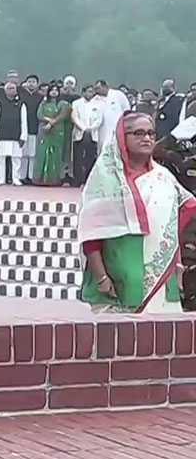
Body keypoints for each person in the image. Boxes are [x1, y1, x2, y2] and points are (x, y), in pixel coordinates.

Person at [79, 113, 196, 314]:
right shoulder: (105, 180)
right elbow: (91, 234)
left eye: (151, 133)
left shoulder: (164, 177)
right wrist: (101, 277)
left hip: (162, 276)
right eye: (138, 133)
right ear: (122, 137)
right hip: (119, 279)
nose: (147, 138)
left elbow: (186, 209)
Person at [153, 115, 196, 310]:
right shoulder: (180, 157)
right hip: (189, 219)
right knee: (189, 263)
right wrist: (174, 136)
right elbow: (154, 152)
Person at [0, 79, 28, 186]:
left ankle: (16, 178)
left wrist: (23, 136)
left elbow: (24, 121)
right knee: (1, 158)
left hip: (16, 136)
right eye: (9, 88)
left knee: (16, 159)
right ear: (5, 90)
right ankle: (1, 179)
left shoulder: (21, 104)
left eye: (13, 88)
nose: (12, 90)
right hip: (1, 135)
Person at [34, 83, 70, 186]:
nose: (54, 92)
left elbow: (63, 115)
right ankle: (40, 179)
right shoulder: (43, 103)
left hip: (57, 131)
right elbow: (39, 114)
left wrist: (51, 123)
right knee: (42, 153)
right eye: (52, 90)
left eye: (56, 90)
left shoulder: (63, 104)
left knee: (55, 154)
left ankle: (54, 180)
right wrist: (48, 120)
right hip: (44, 130)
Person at [69, 85, 102, 187]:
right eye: (88, 91)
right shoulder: (76, 103)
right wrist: (83, 128)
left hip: (92, 133)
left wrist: (91, 128)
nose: (90, 94)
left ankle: (88, 180)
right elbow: (74, 117)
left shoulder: (98, 104)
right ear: (83, 93)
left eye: (92, 92)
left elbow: (99, 119)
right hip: (79, 132)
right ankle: (77, 179)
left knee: (90, 158)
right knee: (78, 157)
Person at [21, 74, 43, 184]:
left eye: (33, 82)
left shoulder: (41, 98)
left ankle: (31, 176)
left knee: (33, 154)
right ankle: (22, 176)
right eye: (29, 81)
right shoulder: (21, 96)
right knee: (23, 154)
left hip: (35, 128)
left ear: (37, 84)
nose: (31, 84)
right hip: (23, 128)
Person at [94, 79, 131, 147]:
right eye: (96, 89)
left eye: (98, 88)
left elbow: (126, 109)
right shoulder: (95, 99)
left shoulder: (118, 94)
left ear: (105, 86)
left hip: (119, 126)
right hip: (103, 130)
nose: (97, 91)